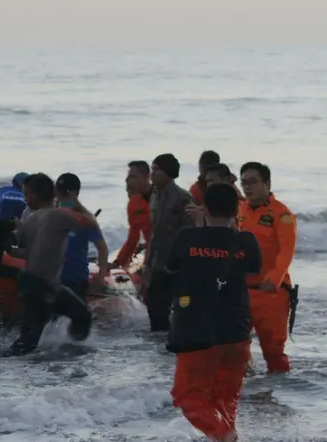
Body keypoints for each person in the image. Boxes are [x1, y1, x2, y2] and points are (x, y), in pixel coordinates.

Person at [166, 183, 261, 442]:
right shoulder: (246, 240)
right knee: (225, 397)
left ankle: (224, 435)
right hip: (236, 329)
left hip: (196, 329)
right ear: (237, 209)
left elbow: (170, 266)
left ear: (204, 208)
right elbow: (254, 266)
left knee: (188, 396)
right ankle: (226, 435)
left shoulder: (187, 238)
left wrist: (201, 228)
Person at [3, 173, 97, 356]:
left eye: (27, 194)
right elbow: (91, 223)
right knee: (82, 315)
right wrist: (75, 204)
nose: (25, 199)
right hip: (43, 285)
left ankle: (7, 361)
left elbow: (23, 251)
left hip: (31, 282)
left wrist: (10, 247)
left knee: (30, 336)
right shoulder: (60, 215)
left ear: (38, 195)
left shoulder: (29, 219)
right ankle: (73, 349)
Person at [238, 162, 297, 374]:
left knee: (273, 351)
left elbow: (286, 251)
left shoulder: (282, 214)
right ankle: (246, 394)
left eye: (253, 182)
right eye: (244, 183)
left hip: (272, 291)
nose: (248, 187)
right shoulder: (239, 210)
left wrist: (275, 278)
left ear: (267, 183)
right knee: (236, 347)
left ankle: (278, 396)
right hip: (241, 290)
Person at [144, 153, 196, 331]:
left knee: (175, 307)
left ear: (167, 173)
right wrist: (147, 261)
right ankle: (159, 345)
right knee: (154, 305)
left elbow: (191, 232)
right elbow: (154, 232)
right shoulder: (154, 196)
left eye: (156, 170)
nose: (152, 174)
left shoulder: (182, 198)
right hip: (157, 261)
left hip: (176, 264)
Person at [54, 173, 109, 299]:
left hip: (75, 280)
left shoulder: (86, 221)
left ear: (75, 193)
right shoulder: (51, 214)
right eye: (59, 192)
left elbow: (102, 248)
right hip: (53, 279)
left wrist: (101, 275)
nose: (60, 197)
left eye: (65, 193)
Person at [109, 160, 152, 269]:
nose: (127, 180)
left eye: (133, 176)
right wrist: (118, 262)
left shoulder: (162, 196)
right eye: (128, 177)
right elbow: (134, 236)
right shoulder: (136, 202)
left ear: (147, 177)